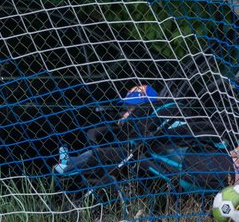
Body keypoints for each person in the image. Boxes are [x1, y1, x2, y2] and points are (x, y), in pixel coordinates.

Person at [54, 83, 235, 201]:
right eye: (125, 109)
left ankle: (74, 163)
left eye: (130, 109)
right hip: (173, 165)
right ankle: (75, 162)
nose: (124, 113)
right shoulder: (157, 121)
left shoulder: (155, 119)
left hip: (183, 166)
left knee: (110, 155)